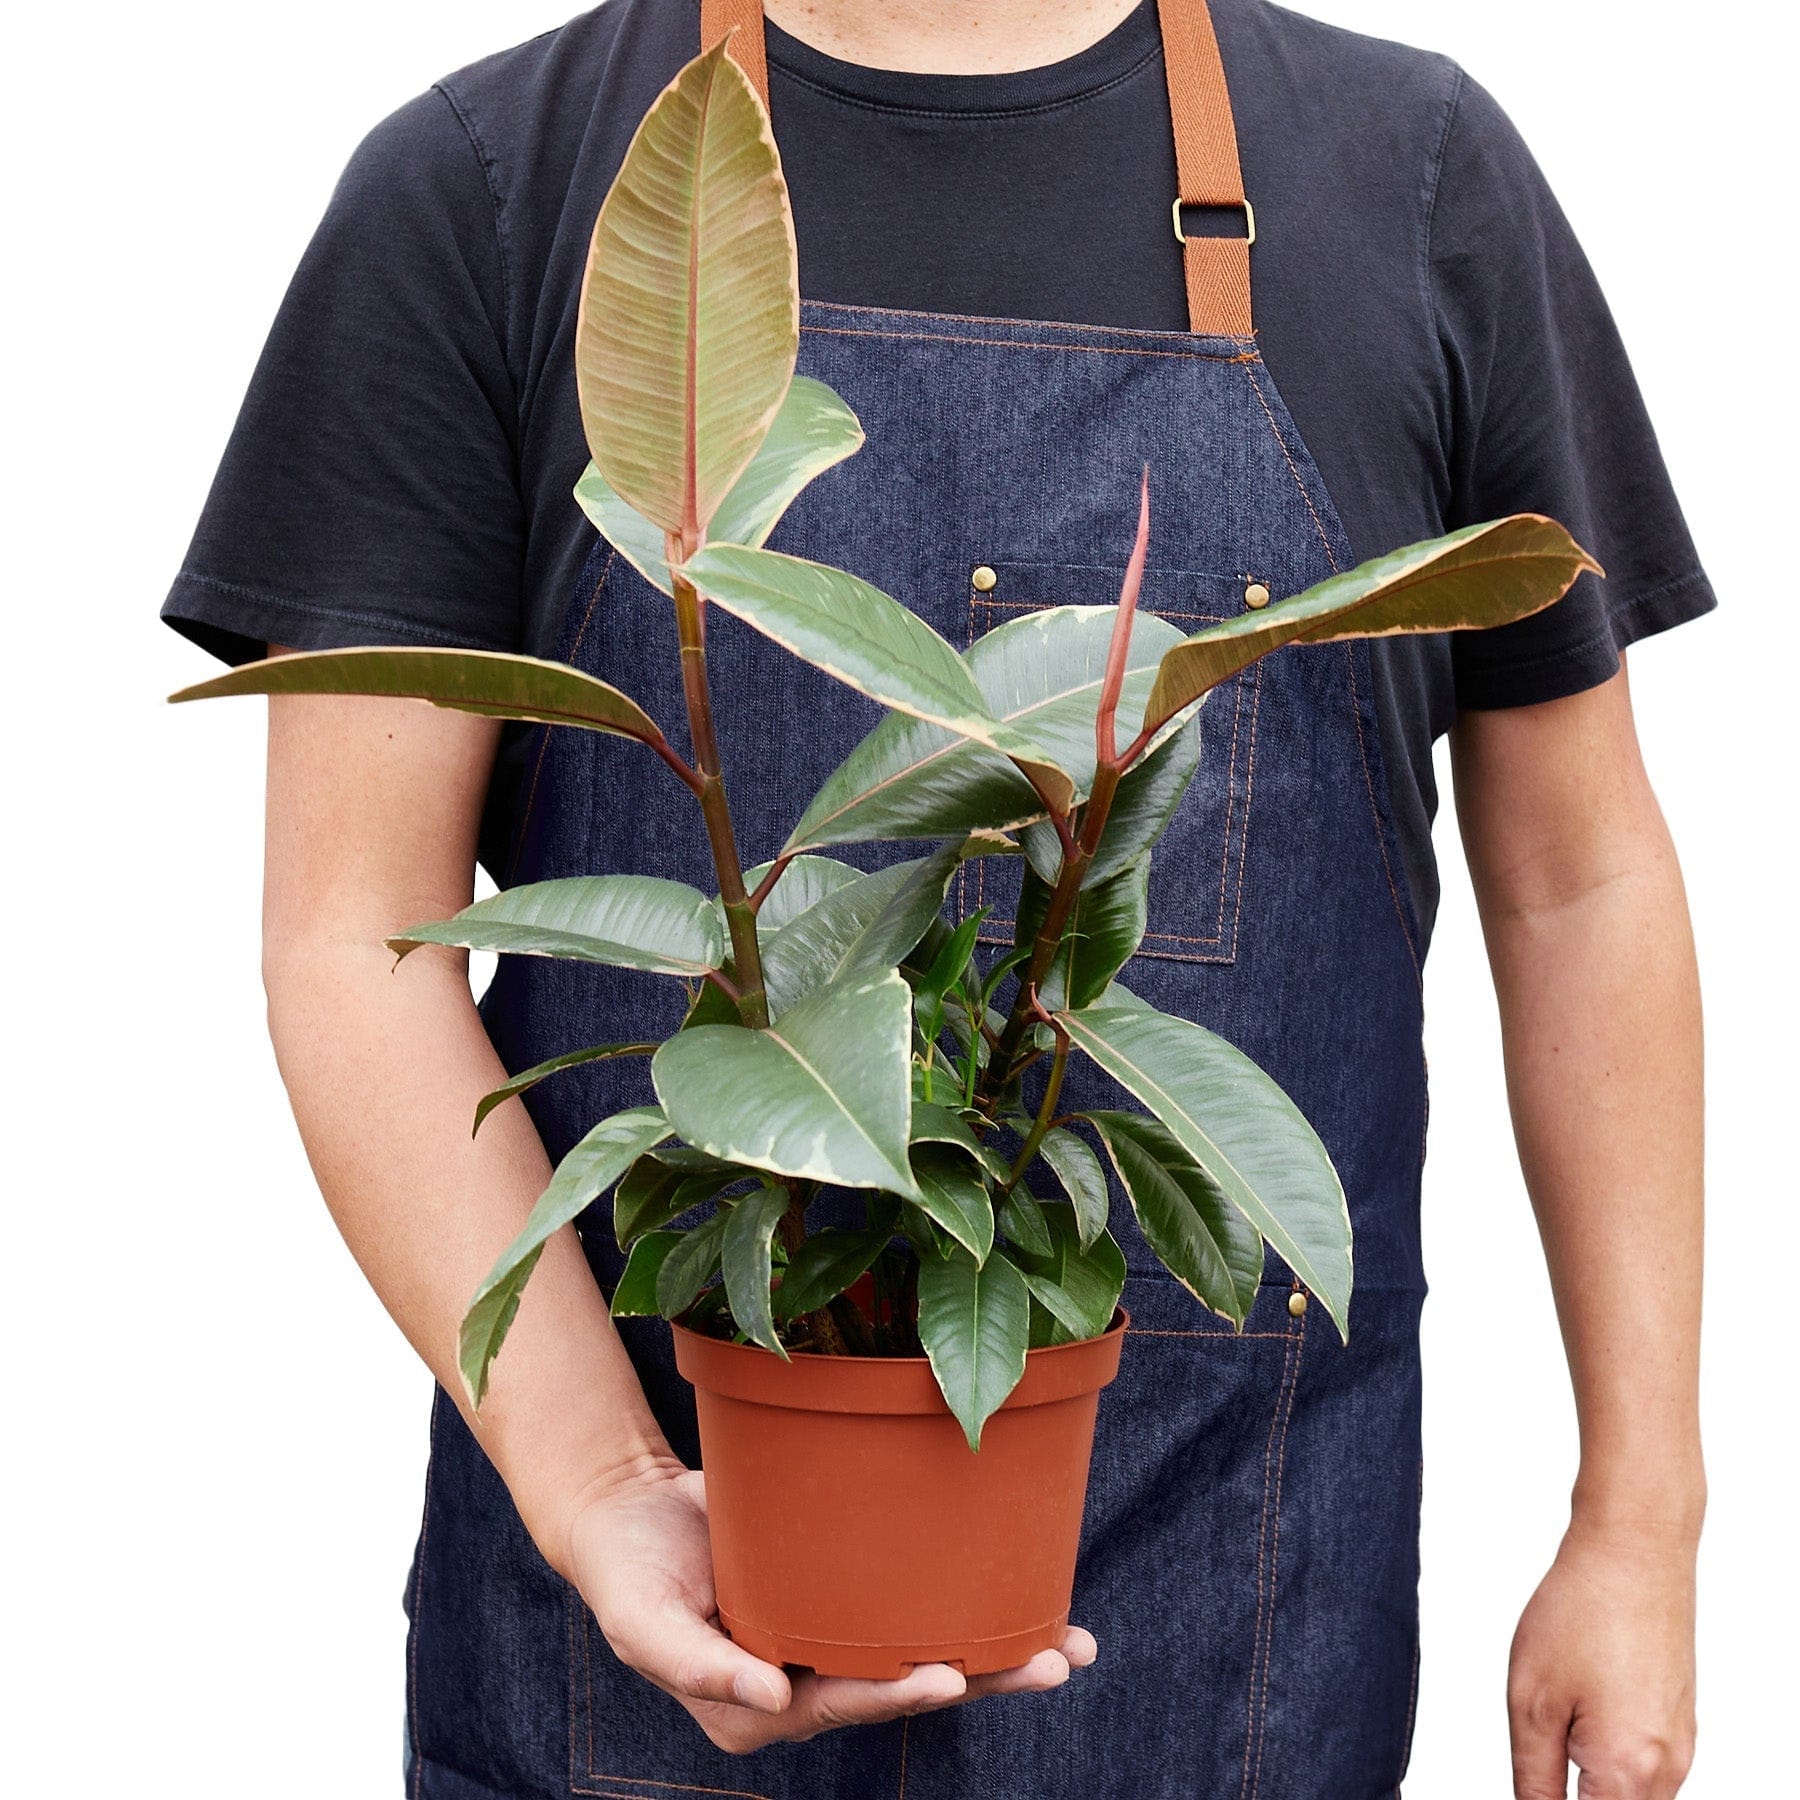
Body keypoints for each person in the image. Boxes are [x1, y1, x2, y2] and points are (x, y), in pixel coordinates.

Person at [162, 0, 1711, 1794]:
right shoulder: (494, 192)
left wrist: (1643, 1514)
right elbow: (357, 934)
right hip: (651, 1631)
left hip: (1234, 1635)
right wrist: (596, 1491)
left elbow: (1579, 885)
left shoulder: (1413, 178)